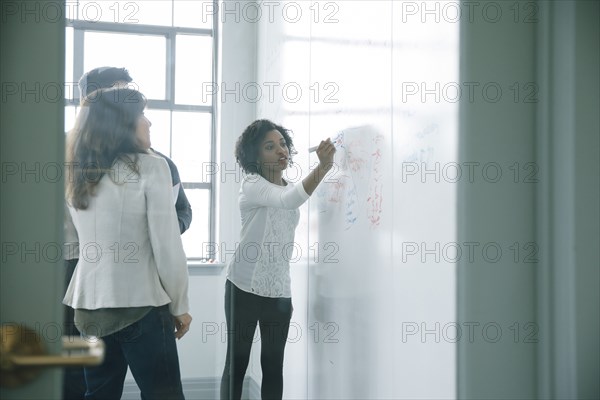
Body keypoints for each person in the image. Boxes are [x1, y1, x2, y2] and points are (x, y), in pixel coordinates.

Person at [62, 67, 192, 399]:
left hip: (88, 306)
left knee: (99, 394)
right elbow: (167, 247)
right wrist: (180, 305)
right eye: (142, 116)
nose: (149, 123)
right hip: (141, 306)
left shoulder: (78, 173)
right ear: (122, 123)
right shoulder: (152, 166)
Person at [221, 119, 336, 399]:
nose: (280, 150)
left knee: (273, 367)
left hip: (278, 291)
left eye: (283, 143)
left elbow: (290, 197)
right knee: (237, 364)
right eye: (270, 147)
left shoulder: (289, 186)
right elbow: (287, 200)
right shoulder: (252, 185)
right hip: (243, 288)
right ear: (255, 156)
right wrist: (322, 168)